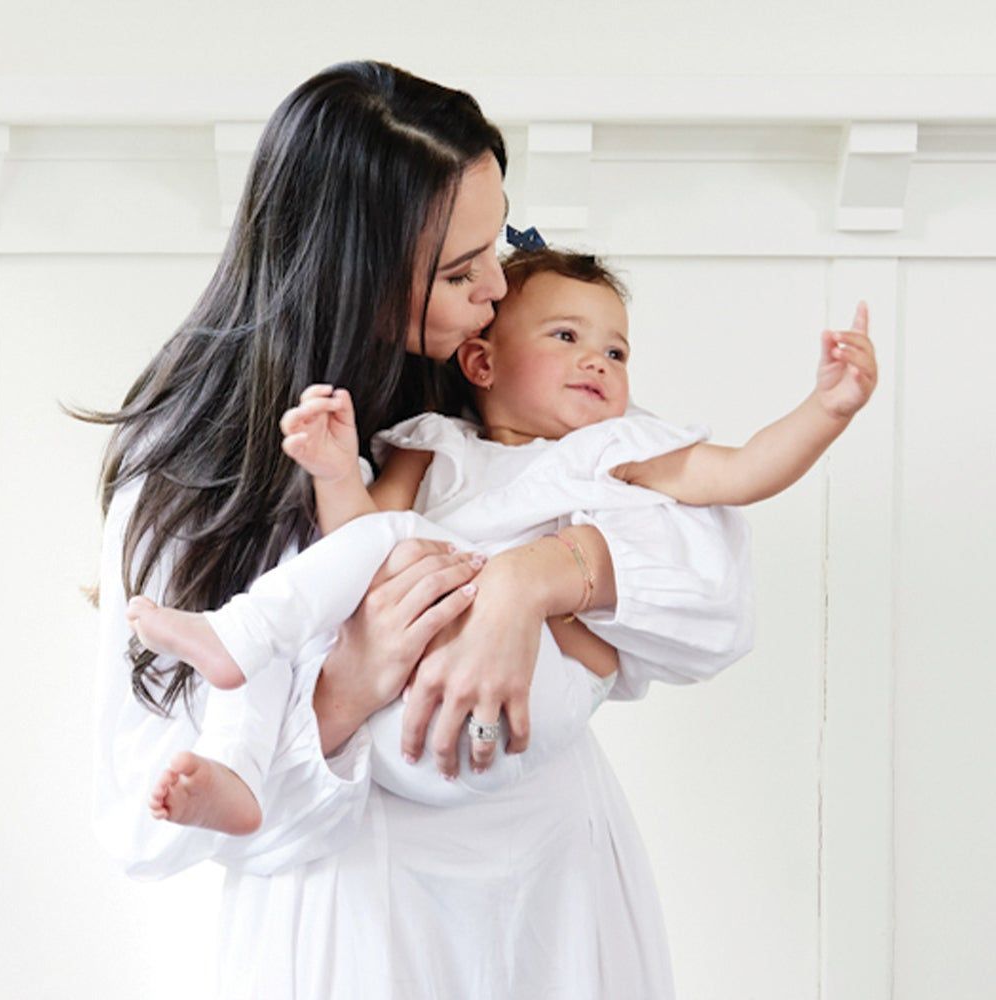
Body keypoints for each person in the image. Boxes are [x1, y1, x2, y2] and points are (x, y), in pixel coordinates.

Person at [87, 62, 758, 999]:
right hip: (357, 918)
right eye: (457, 271)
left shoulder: (487, 374)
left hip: (552, 894)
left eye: (499, 240)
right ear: (351, 275)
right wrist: (347, 690)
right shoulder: (191, 471)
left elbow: (716, 603)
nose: (498, 287)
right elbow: (146, 826)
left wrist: (539, 578)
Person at [125, 246, 877, 837]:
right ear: (482, 362)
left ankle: (240, 642)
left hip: (524, 705)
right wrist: (331, 469)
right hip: (396, 720)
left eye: (617, 352)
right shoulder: (433, 446)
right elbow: (351, 543)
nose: (599, 361)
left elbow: (742, 471)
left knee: (318, 597)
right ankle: (238, 771)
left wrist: (827, 409)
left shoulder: (615, 448)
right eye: (566, 336)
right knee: (278, 649)